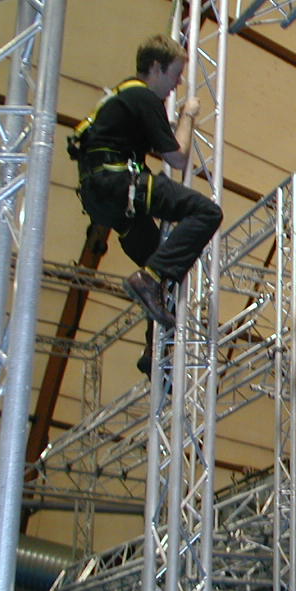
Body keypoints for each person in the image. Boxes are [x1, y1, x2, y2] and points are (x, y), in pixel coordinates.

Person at [71, 34, 223, 373]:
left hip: (104, 197)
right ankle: (148, 280)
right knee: (207, 212)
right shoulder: (143, 96)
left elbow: (158, 145)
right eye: (175, 74)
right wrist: (188, 115)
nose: (178, 83)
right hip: (120, 184)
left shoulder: (122, 99)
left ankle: (153, 351)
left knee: (164, 262)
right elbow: (178, 157)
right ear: (156, 68)